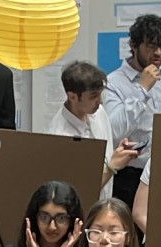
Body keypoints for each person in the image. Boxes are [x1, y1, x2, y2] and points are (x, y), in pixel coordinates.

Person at [100, 12, 161, 208]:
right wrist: (142, 88)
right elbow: (114, 131)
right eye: (151, 45)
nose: (158, 52)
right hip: (130, 177)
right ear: (133, 45)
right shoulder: (113, 83)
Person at [48, 61, 128, 201]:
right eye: (93, 97)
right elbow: (78, 190)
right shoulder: (60, 135)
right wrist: (112, 167)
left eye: (100, 94)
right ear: (72, 97)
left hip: (104, 204)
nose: (100, 101)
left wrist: (118, 153)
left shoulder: (99, 112)